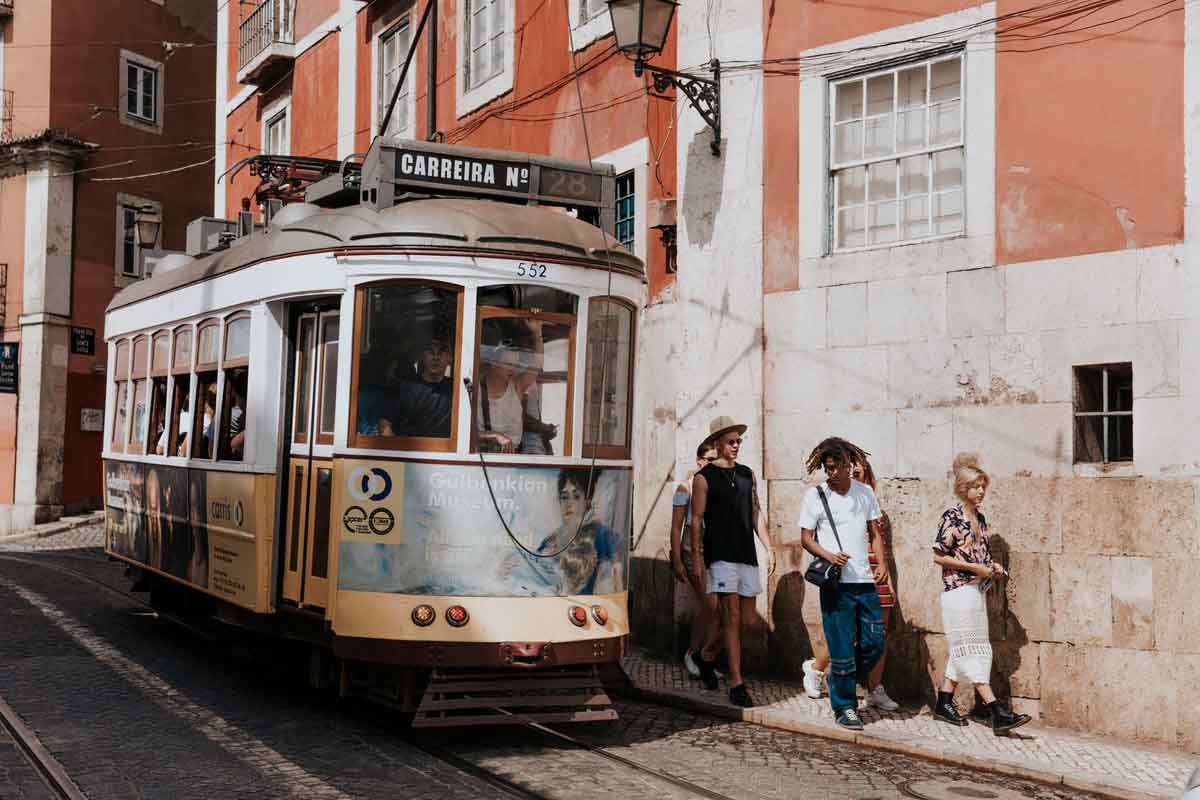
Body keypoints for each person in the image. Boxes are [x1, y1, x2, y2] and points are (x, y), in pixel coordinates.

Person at [931, 453, 1031, 735]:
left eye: (983, 486)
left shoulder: (981, 519)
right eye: (976, 486)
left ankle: (944, 702)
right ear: (964, 488)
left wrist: (991, 567)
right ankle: (997, 711)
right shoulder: (952, 518)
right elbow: (938, 556)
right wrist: (972, 567)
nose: (981, 491)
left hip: (975, 592)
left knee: (963, 647)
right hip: (957, 593)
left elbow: (979, 555)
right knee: (974, 650)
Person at [795, 437, 889, 731]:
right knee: (841, 647)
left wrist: (882, 563)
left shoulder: (865, 493)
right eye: (828, 468)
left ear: (851, 465)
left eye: (839, 467)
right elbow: (806, 538)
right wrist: (830, 556)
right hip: (836, 584)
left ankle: (839, 679)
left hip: (864, 580)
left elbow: (875, 532)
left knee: (875, 640)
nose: (833, 473)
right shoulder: (816, 496)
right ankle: (845, 706)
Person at [690, 415, 775, 708]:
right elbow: (696, 520)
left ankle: (706, 655)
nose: (736, 445)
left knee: (747, 621)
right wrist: (698, 558)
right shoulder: (704, 478)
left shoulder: (747, 474)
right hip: (720, 555)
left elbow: (755, 513)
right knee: (732, 617)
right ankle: (737, 683)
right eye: (731, 441)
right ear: (717, 443)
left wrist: (769, 547)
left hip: (746, 554)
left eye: (739, 441)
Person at [671, 441, 723, 679]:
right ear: (700, 462)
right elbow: (675, 527)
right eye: (709, 460)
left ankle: (704, 657)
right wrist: (679, 561)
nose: (714, 464)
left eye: (716, 459)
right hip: (693, 555)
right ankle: (692, 654)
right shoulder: (686, 488)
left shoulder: (718, 487)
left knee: (714, 608)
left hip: (715, 555)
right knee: (711, 605)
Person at [530, 468, 621, 595]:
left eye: (576, 496)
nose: (569, 503)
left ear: (587, 501)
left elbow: (617, 581)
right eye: (564, 497)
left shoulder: (603, 535)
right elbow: (535, 579)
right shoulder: (550, 541)